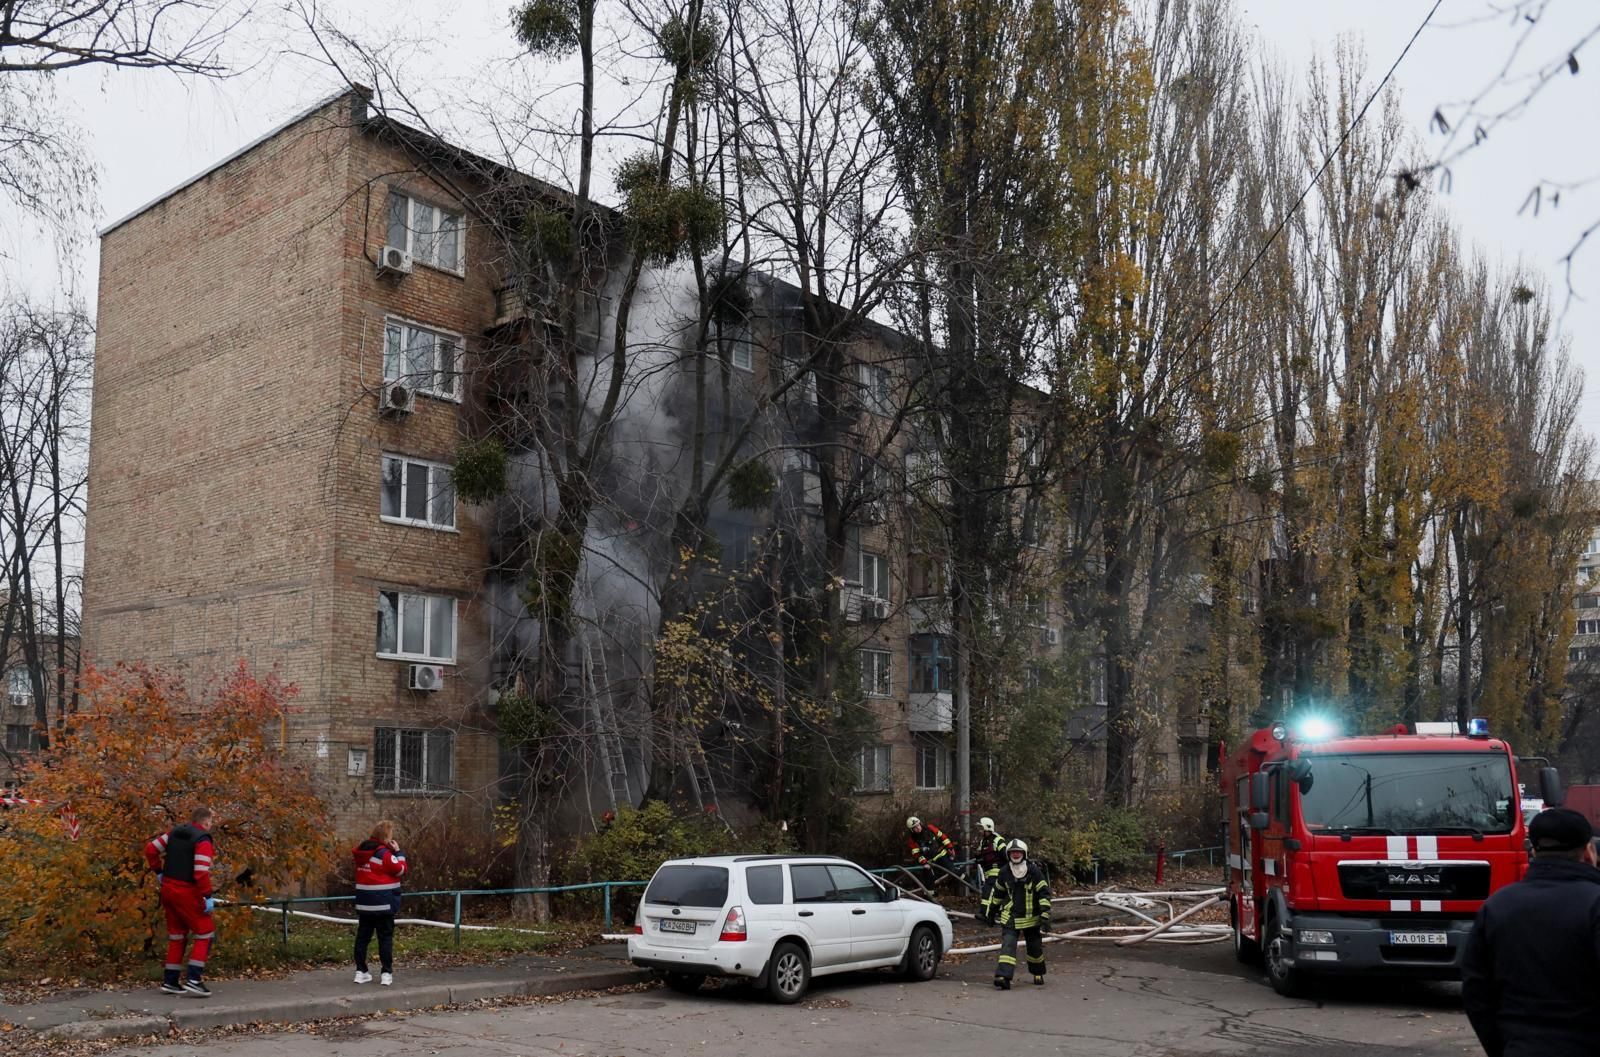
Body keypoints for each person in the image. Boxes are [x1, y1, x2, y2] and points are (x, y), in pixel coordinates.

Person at [1461, 806, 1600, 1057]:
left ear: (1534, 850)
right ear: (1589, 851)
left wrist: (1503, 1046)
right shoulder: (1594, 904)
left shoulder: (1496, 906)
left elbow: (1476, 991)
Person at [143, 807, 219, 997]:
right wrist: (207, 896)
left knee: (177, 935)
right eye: (211, 822)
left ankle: (170, 981)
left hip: (168, 888)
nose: (211, 826)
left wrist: (158, 872)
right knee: (205, 932)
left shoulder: (174, 832)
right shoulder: (202, 840)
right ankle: (194, 979)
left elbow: (151, 849)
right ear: (206, 822)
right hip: (187, 891)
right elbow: (200, 872)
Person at [981, 838, 1051, 990]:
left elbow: (1044, 893)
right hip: (1011, 916)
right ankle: (1003, 977)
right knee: (1008, 946)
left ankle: (1037, 972)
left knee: (1034, 948)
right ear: (1008, 854)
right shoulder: (1004, 872)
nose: (1016, 854)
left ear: (1024, 853)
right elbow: (997, 894)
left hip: (1031, 917)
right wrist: (991, 913)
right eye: (1013, 852)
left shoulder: (1034, 871)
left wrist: (1045, 914)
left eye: (1018, 852)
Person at [352, 820, 407, 986]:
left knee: (362, 938)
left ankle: (361, 971)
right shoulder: (385, 854)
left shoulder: (361, 852)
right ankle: (386, 973)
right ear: (386, 837)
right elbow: (401, 869)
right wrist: (398, 852)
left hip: (364, 904)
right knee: (385, 939)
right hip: (384, 904)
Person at [905, 816, 957, 889]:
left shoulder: (930, 828)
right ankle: (931, 894)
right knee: (929, 882)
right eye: (915, 828)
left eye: (918, 825)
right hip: (930, 862)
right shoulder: (912, 840)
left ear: (920, 824)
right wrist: (924, 863)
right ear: (911, 830)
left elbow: (943, 837)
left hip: (941, 855)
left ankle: (967, 885)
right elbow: (917, 854)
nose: (918, 828)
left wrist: (950, 847)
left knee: (954, 872)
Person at [974, 817, 1008, 894]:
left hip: (997, 874)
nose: (979, 831)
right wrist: (978, 856)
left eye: (981, 828)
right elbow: (980, 860)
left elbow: (1006, 855)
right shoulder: (983, 842)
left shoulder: (998, 840)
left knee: (988, 895)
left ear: (987, 828)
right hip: (987, 875)